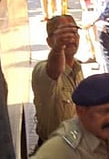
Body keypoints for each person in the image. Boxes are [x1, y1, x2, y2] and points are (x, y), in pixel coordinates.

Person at [32, 15, 84, 145]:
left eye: (73, 32)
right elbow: (53, 71)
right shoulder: (42, 70)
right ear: (50, 41)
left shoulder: (77, 68)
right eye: (62, 34)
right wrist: (58, 48)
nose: (70, 38)